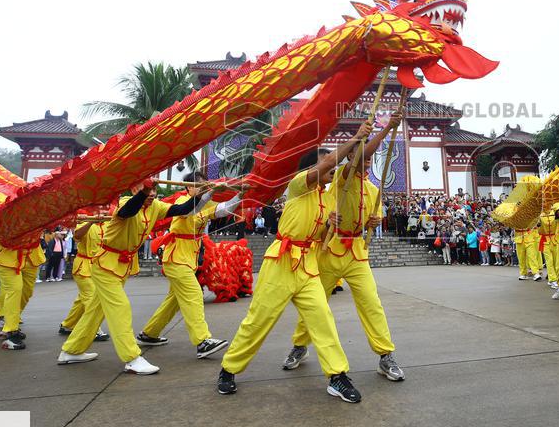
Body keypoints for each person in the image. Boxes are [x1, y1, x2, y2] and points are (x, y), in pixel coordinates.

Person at [218, 121, 372, 403]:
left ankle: (337, 375)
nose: (332, 167)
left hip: (308, 266)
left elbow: (320, 236)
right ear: (313, 168)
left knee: (323, 319)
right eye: (325, 162)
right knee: (258, 321)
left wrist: (330, 225)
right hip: (281, 263)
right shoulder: (299, 184)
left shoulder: (328, 199)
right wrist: (356, 138)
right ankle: (228, 369)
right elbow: (331, 162)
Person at [285, 116, 405, 383]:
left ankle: (385, 355)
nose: (366, 162)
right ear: (350, 158)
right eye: (362, 158)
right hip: (331, 249)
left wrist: (373, 222)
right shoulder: (342, 177)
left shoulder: (373, 190)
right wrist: (386, 128)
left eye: (369, 160)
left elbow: (374, 216)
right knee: (316, 304)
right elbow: (360, 156)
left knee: (371, 303)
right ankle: (300, 345)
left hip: (357, 253)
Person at [58, 181, 209, 372]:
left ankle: (71, 350)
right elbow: (129, 211)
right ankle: (131, 357)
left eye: (154, 189)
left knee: (95, 312)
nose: (152, 193)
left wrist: (202, 194)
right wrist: (143, 192)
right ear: (134, 189)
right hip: (105, 265)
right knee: (120, 308)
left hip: (121, 266)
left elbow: (183, 209)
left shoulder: (156, 206)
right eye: (147, 189)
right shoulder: (125, 202)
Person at [136, 176, 243, 360]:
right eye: (199, 186)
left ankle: (149, 334)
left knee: (173, 302)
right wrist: (210, 191)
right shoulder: (182, 201)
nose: (202, 188)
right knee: (194, 294)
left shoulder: (205, 201)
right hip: (176, 258)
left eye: (204, 185)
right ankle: (202, 341)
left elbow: (223, 210)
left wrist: (240, 196)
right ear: (188, 187)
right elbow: (191, 209)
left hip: (188, 258)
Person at [57, 215, 109, 343]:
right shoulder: (84, 222)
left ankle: (68, 325)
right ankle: (93, 330)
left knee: (82, 300)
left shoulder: (108, 225)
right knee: (91, 298)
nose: (103, 212)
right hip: (83, 266)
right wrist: (91, 222)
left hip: (98, 267)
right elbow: (77, 236)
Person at [0, 237, 44, 350]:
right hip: (8, 257)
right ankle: (11, 331)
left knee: (27, 292)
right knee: (14, 290)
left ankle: (10, 321)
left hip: (31, 256)